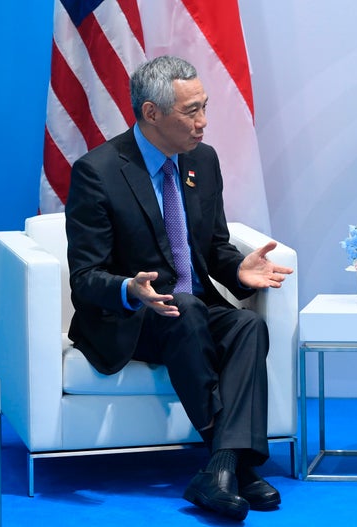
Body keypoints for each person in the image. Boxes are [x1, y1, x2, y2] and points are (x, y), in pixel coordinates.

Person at [65, 55, 293, 522]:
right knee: (186, 310)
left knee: (248, 325)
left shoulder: (201, 161)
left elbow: (213, 245)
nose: (203, 122)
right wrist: (130, 287)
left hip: (189, 306)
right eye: (192, 111)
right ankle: (233, 464)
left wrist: (237, 270)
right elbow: (85, 278)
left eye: (204, 107)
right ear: (151, 113)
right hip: (130, 318)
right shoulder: (98, 172)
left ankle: (221, 469)